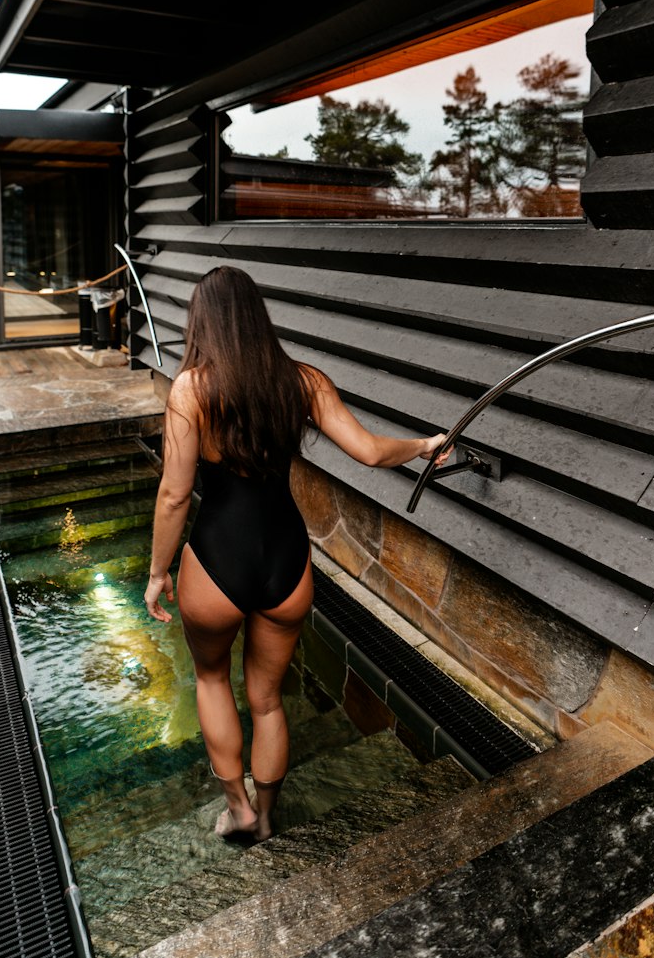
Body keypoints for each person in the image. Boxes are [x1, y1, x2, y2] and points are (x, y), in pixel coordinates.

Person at [144, 266, 450, 841]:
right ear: (256, 316)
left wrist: (159, 571)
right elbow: (368, 450)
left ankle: (237, 812)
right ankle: (268, 817)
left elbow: (175, 494)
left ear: (202, 321)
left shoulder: (191, 388)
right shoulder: (302, 381)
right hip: (287, 557)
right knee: (266, 700)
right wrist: (425, 444)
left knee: (212, 680)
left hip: (217, 561)